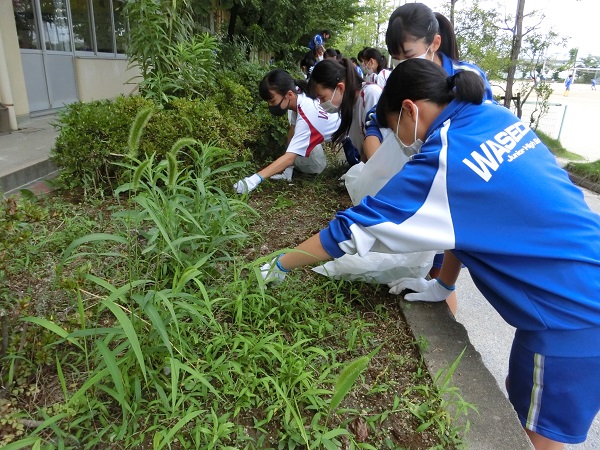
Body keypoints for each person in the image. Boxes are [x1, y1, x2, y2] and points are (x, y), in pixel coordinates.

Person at [258, 59, 600, 450]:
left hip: (570, 314)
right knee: (521, 397)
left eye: (395, 130)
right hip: (582, 276)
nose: (399, 141)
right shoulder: (494, 117)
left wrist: (280, 263)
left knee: (538, 436)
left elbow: (353, 229)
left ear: (409, 110)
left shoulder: (444, 158)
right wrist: (443, 285)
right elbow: (464, 224)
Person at [233, 69, 339, 194]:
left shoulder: (307, 118)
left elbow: (289, 158)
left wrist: (252, 180)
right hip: (334, 127)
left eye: (272, 101)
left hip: (349, 137)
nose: (270, 105)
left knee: (314, 166)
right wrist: (288, 170)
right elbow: (292, 133)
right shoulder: (298, 95)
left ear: (289, 94)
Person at [308, 58, 382, 166]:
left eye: (322, 98)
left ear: (340, 87)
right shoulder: (349, 106)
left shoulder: (370, 95)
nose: (321, 103)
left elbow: (377, 147)